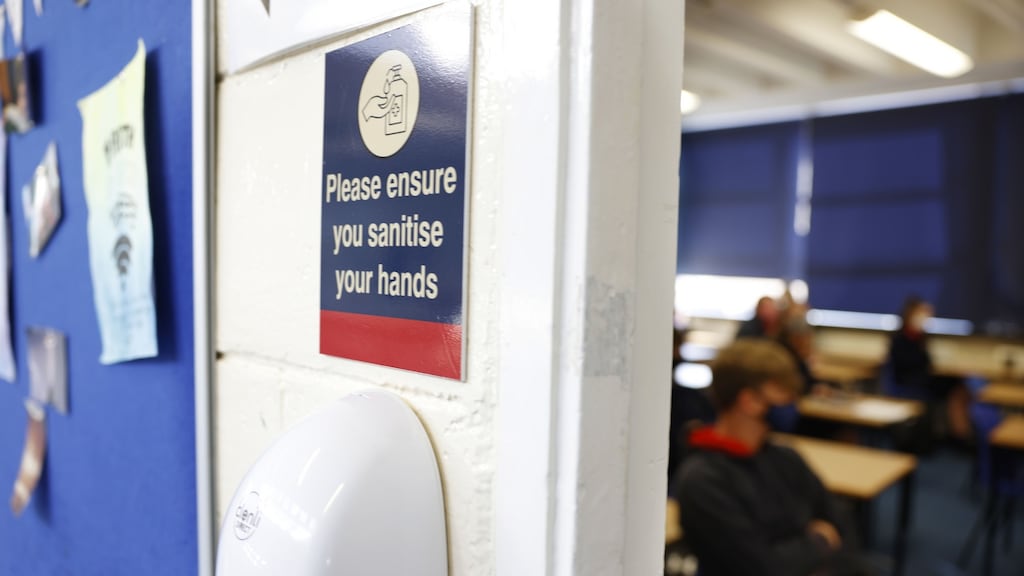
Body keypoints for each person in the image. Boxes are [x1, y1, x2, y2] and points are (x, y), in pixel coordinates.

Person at [671, 339, 873, 576]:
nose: (790, 401)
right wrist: (819, 539)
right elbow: (762, 567)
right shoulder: (703, 481)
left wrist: (799, 551)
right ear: (749, 401)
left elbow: (841, 524)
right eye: (783, 392)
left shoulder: (785, 457)